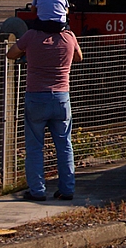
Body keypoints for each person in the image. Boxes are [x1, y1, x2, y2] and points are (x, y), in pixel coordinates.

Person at [6, 24, 83, 202]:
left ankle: (37, 190)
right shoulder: (68, 37)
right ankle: (67, 189)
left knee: (34, 147)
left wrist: (29, 55)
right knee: (64, 145)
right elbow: (79, 57)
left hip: (36, 97)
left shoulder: (31, 36)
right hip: (61, 98)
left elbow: (10, 54)